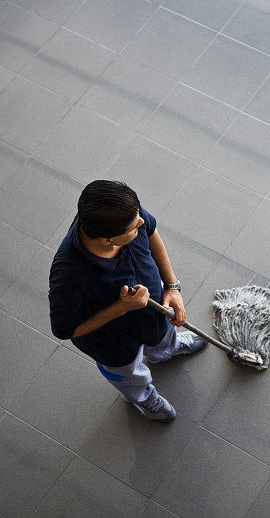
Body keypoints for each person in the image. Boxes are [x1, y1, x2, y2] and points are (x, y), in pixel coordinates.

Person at [48, 180, 206, 422]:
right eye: (134, 226)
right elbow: (65, 329)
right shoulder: (69, 276)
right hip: (114, 344)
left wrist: (172, 287)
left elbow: (151, 231)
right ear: (107, 240)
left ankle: (166, 350)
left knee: (163, 336)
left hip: (155, 313)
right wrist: (121, 308)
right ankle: (142, 398)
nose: (141, 221)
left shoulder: (124, 215)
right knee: (130, 376)